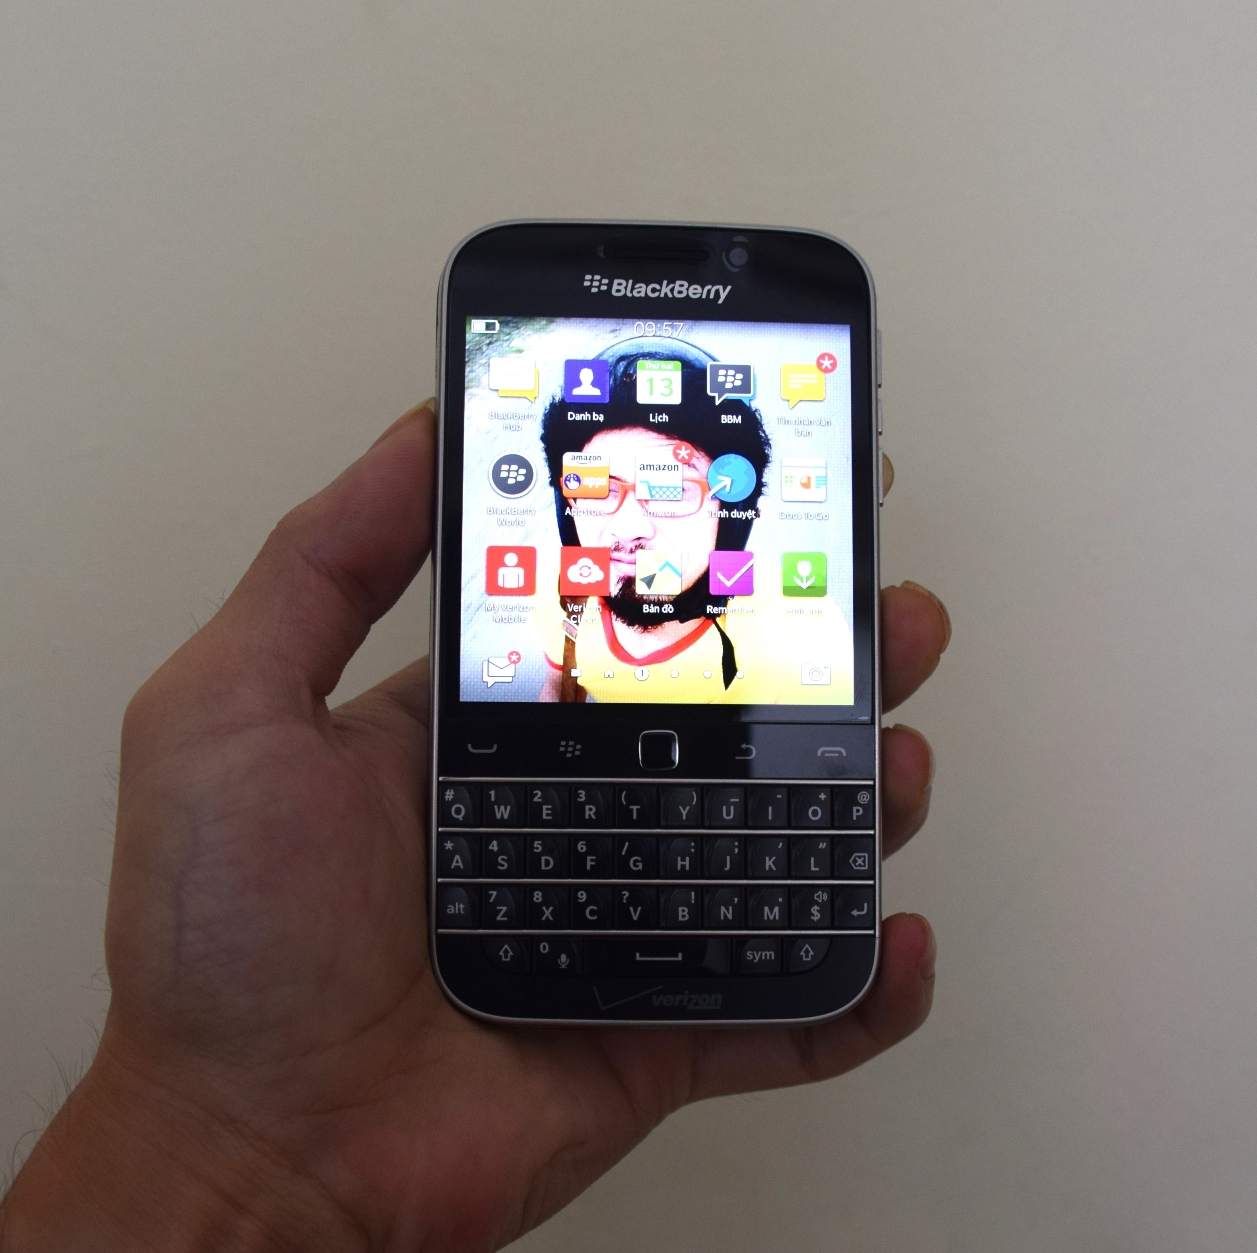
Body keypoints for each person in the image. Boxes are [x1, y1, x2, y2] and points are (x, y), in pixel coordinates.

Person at [0, 400, 949, 1252]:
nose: (624, 520)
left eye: (665, 486)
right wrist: (214, 1140)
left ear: (729, 504)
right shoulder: (526, 662)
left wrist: (220, 1168)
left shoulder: (786, 661)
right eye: (595, 487)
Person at [538, 341, 851, 703]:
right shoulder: (564, 590)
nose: (627, 528)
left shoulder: (802, 634)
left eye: (671, 491)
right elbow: (561, 685)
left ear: (730, 515)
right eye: (600, 489)